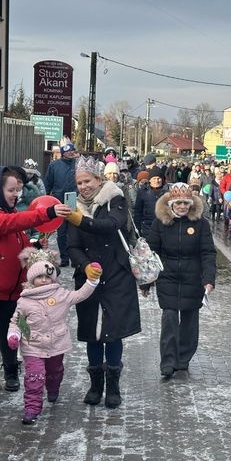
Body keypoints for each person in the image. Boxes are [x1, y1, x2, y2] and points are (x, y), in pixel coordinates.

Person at [66, 155, 142, 409]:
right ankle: (95, 385)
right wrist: (85, 266)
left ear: (99, 180)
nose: (84, 186)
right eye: (79, 182)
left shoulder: (115, 199)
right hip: (89, 278)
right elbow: (73, 245)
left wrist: (81, 220)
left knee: (113, 332)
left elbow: (111, 225)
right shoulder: (74, 205)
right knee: (92, 333)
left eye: (87, 181)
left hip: (116, 275)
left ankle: (113, 387)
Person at [7, 247, 100, 424]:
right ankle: (32, 407)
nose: (43, 280)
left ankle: (53, 387)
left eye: (47, 277)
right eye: (39, 277)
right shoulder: (25, 300)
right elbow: (17, 322)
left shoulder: (60, 295)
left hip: (56, 344)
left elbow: (79, 295)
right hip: (32, 346)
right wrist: (14, 335)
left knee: (54, 372)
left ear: (52, 277)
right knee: (34, 376)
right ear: (32, 279)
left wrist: (92, 281)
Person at [1, 166, 69, 392]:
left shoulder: (10, 214)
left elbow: (19, 246)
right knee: (4, 331)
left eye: (17, 190)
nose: (15, 195)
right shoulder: (5, 218)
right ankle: (10, 369)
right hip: (1, 292)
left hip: (16, 293)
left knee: (14, 332)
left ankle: (13, 369)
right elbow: (13, 224)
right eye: (11, 190)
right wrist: (47, 213)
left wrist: (36, 246)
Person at [145, 183, 216, 378]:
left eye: (186, 203)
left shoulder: (200, 224)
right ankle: (168, 361)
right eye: (179, 203)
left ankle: (183, 359)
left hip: (193, 278)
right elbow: (151, 251)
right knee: (169, 318)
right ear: (171, 204)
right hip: (167, 276)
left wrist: (208, 278)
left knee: (189, 321)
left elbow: (208, 252)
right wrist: (147, 279)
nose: (183, 207)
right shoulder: (160, 223)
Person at [43, 140, 78, 266]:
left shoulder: (78, 164)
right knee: (61, 231)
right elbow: (48, 183)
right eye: (67, 151)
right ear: (63, 153)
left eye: (72, 150)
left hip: (75, 200)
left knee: (74, 231)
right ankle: (64, 257)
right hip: (58, 200)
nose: (70, 153)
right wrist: (46, 199)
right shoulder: (54, 165)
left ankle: (75, 258)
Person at [134, 166, 166, 239]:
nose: (156, 181)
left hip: (164, 227)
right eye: (154, 178)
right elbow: (138, 211)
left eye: (159, 178)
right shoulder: (143, 191)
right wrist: (138, 228)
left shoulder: (167, 192)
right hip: (147, 227)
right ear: (150, 180)